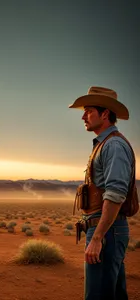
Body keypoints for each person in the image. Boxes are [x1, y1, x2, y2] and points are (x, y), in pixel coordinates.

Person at [69, 86, 138, 300]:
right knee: (113, 294)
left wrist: (97, 238)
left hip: (106, 230)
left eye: (88, 110)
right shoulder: (105, 144)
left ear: (105, 114)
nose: (83, 116)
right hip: (106, 229)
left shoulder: (114, 145)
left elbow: (115, 193)